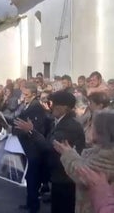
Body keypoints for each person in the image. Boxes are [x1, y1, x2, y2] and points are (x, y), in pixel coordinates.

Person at [15, 90, 85, 213]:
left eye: (52, 103)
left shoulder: (69, 125)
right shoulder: (60, 120)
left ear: (63, 107)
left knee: (63, 207)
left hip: (65, 176)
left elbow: (50, 146)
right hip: (59, 174)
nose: (49, 106)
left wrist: (31, 131)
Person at [54, 109, 114, 213]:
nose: (90, 129)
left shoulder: (107, 157)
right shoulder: (103, 151)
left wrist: (67, 154)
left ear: (101, 131)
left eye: (93, 126)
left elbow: (82, 173)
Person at [13, 82, 47, 213]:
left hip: (34, 147)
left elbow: (33, 127)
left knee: (32, 177)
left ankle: (34, 206)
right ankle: (29, 202)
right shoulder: (26, 104)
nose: (24, 96)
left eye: (26, 94)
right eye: (23, 93)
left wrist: (15, 130)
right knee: (29, 177)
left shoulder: (36, 107)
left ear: (33, 94)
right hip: (28, 146)